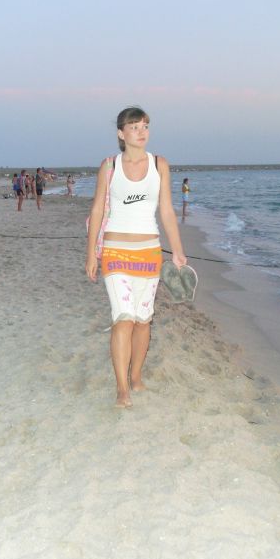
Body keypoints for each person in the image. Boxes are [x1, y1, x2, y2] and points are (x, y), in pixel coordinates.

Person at [86, 106, 187, 408]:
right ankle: (122, 389)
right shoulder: (109, 166)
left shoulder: (159, 164)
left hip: (149, 253)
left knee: (143, 320)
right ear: (121, 133)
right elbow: (97, 210)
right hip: (115, 252)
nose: (141, 132)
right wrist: (91, 254)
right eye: (134, 127)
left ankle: (136, 376)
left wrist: (178, 249)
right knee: (124, 318)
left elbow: (166, 210)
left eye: (145, 126)